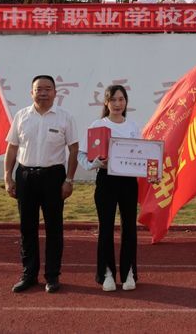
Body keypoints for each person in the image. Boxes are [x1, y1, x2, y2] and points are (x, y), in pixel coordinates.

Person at [4, 75, 79, 294]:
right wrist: (8, 176)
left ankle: (52, 276)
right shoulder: (21, 116)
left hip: (54, 177)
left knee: (54, 228)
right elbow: (12, 148)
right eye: (39, 89)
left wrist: (69, 180)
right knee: (27, 228)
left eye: (48, 89)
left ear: (56, 93)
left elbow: (74, 150)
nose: (43, 93)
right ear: (31, 93)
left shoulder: (65, 117)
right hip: (25, 176)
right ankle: (28, 274)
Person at [78, 85, 141, 292]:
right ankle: (106, 274)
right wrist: (95, 163)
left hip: (128, 181)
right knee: (106, 228)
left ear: (126, 102)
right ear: (106, 103)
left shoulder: (133, 126)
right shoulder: (98, 125)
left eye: (121, 99)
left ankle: (129, 272)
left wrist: (152, 171)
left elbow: (142, 154)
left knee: (129, 228)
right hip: (106, 180)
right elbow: (83, 155)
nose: (117, 104)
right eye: (113, 100)